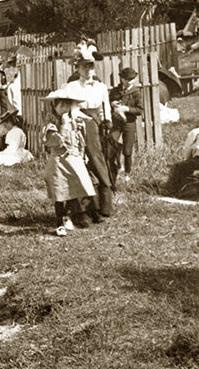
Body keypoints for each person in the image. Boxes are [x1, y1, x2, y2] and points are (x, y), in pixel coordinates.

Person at [42, 85, 98, 236]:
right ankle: (59, 222)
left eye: (67, 104)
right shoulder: (50, 121)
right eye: (61, 105)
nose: (65, 108)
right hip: (59, 160)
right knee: (59, 191)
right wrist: (65, 125)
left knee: (77, 187)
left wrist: (81, 152)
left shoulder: (74, 119)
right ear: (55, 105)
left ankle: (69, 214)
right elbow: (55, 140)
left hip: (74, 159)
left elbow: (79, 139)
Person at [65, 55, 115, 219]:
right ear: (78, 68)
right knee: (79, 161)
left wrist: (107, 120)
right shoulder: (72, 86)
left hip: (96, 124)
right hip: (78, 122)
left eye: (91, 67)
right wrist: (75, 124)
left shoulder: (100, 86)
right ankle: (82, 208)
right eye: (85, 67)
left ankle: (104, 206)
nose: (88, 70)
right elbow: (72, 107)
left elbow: (105, 106)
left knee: (97, 160)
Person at [109, 66, 144, 185]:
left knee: (127, 150)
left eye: (131, 79)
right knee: (112, 145)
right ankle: (117, 168)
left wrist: (127, 108)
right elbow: (107, 104)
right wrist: (112, 104)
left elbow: (140, 110)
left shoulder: (136, 92)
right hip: (116, 122)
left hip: (129, 123)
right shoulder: (115, 91)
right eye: (127, 79)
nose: (129, 81)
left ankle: (127, 173)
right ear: (122, 79)